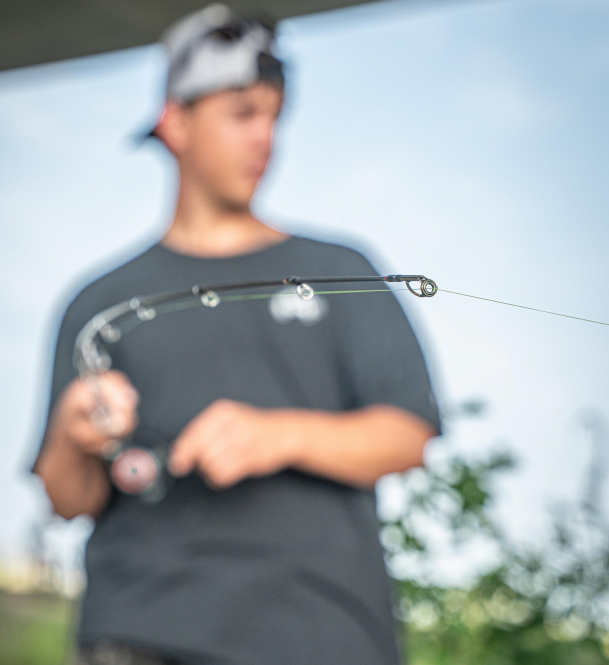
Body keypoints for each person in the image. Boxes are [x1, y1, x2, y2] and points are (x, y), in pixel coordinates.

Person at [31, 5, 441, 664]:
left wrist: (279, 434)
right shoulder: (98, 301)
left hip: (323, 638)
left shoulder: (340, 268)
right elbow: (66, 497)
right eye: (242, 113)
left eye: (274, 116)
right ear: (176, 122)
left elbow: (407, 435)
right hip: (138, 637)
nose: (265, 138)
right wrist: (73, 436)